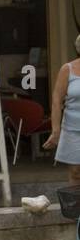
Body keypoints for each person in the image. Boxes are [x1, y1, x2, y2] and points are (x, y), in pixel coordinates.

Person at [43, 33, 80, 183]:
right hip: (72, 129)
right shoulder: (68, 69)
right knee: (76, 172)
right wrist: (55, 130)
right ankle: (75, 206)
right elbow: (57, 100)